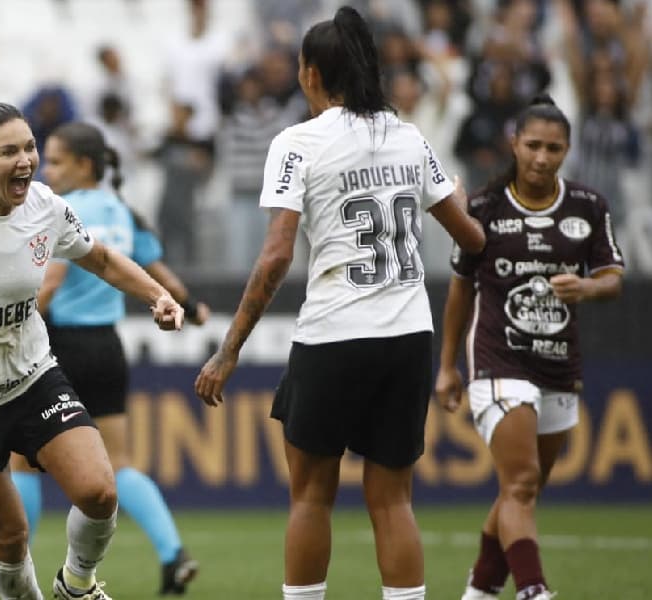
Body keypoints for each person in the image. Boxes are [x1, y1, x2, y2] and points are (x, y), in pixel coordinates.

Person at [194, 7, 486, 600]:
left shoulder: (297, 142)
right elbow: (473, 241)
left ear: (309, 74)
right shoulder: (408, 135)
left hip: (334, 334)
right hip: (408, 337)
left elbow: (276, 256)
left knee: (310, 496)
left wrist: (229, 350)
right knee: (393, 499)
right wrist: (458, 195)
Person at [0, 96, 185, 600]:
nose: (26, 161)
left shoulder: (46, 207)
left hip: (32, 377)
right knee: (10, 541)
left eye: (30, 148)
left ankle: (76, 586)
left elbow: (101, 259)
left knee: (99, 490)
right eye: (10, 152)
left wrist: (157, 295)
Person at [0, 122, 209, 599]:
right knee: (120, 463)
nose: (43, 170)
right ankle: (173, 552)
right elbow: (154, 272)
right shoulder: (122, 210)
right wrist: (190, 306)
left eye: (54, 160)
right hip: (108, 349)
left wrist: (7, 336)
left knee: (22, 463)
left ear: (84, 165)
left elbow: (48, 284)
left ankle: (5, 574)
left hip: (62, 347)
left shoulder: (62, 211)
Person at [434, 95, 624, 600]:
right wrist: (448, 365)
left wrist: (585, 287)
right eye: (534, 145)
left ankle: (479, 590)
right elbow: (460, 287)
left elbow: (613, 277)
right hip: (499, 361)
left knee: (523, 491)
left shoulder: (588, 207)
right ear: (513, 144)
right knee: (519, 484)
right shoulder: (482, 208)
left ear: (567, 150)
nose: (542, 157)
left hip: (559, 365)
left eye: (554, 148)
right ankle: (534, 590)